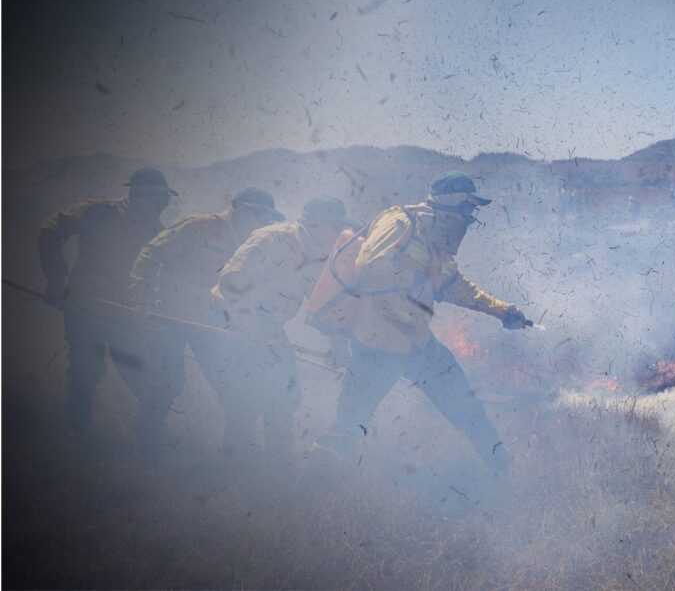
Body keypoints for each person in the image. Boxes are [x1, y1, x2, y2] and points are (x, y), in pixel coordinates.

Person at [306, 172, 528, 479]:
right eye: (467, 206)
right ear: (448, 201)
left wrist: (502, 311)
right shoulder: (401, 221)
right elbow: (370, 264)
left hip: (420, 346)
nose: (470, 217)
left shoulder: (438, 246)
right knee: (347, 428)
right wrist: (415, 279)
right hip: (377, 346)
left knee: (469, 411)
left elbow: (455, 286)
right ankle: (301, 491)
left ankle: (507, 474)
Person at [127, 187, 284, 456]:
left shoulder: (255, 243)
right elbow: (152, 252)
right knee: (164, 385)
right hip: (171, 316)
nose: (263, 222)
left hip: (214, 325)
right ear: (241, 209)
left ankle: (234, 454)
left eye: (267, 218)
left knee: (231, 385)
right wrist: (140, 293)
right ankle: (146, 449)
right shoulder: (199, 227)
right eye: (260, 215)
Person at [207, 197, 357, 470]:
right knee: (247, 395)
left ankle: (275, 466)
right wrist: (247, 325)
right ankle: (238, 466)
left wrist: (338, 344)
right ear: (313, 223)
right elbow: (231, 280)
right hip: (231, 314)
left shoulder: (323, 255)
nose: (339, 235)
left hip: (266, 325)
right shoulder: (271, 239)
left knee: (282, 394)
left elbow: (321, 304)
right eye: (335, 227)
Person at [36, 168, 177, 440]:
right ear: (141, 196)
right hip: (84, 309)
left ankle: (152, 437)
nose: (163, 206)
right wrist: (56, 277)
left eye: (165, 200)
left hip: (126, 317)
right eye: (160, 199)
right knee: (85, 372)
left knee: (140, 375)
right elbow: (50, 230)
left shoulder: (159, 233)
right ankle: (78, 432)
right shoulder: (98, 212)